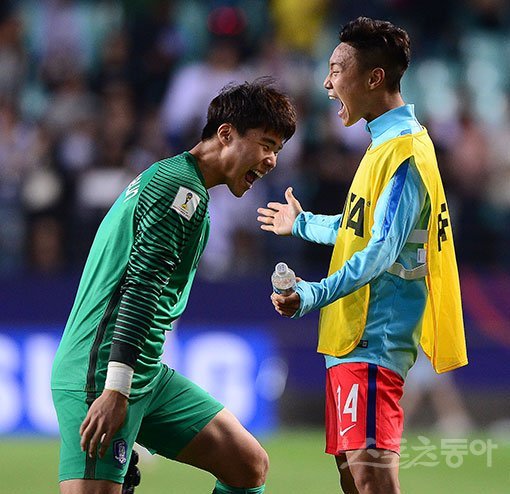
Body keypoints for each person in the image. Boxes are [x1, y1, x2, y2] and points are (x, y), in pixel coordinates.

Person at [51, 79, 296, 494]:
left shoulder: (185, 186)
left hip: (142, 373)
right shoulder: (179, 190)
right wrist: (115, 390)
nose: (272, 160)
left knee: (247, 464)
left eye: (278, 151)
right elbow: (141, 289)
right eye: (267, 144)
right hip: (102, 371)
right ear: (225, 134)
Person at [257, 17, 467, 494]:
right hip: (349, 340)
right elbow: (361, 229)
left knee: (371, 482)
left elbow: (379, 252)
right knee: (355, 481)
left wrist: (311, 294)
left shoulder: (406, 153)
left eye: (336, 70)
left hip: (373, 341)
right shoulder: (382, 146)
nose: (327, 84)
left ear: (374, 78)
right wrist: (304, 223)